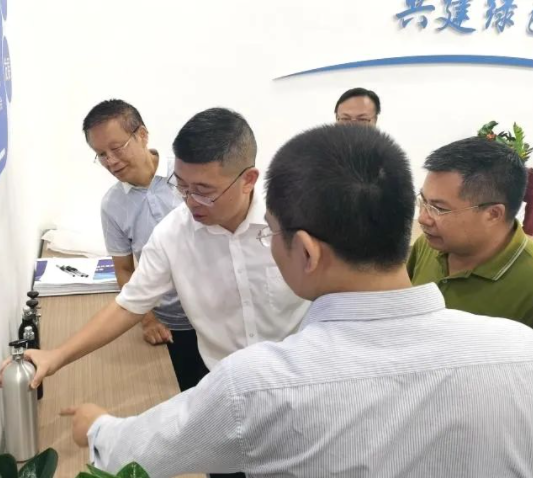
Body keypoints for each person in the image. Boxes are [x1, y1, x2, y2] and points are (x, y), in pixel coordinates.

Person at [61, 124, 533, 478]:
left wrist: (96, 425)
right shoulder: (520, 352)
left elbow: (136, 451)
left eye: (273, 234)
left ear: (306, 251)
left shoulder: (256, 385)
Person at [0, 107, 308, 391]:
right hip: (225, 385)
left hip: (302, 379)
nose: (190, 201)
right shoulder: (172, 235)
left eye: (204, 191)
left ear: (248, 180)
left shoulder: (296, 220)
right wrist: (57, 356)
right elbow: (128, 305)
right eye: (182, 187)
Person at [83, 99, 208, 391]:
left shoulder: (188, 175)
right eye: (101, 155)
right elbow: (125, 269)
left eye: (117, 148)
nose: (111, 161)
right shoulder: (112, 205)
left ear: (142, 135)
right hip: (169, 324)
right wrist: (148, 320)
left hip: (215, 316)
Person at [408, 137, 533, 326]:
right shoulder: (427, 245)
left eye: (439, 208)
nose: (423, 218)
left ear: (493, 214)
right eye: (423, 201)